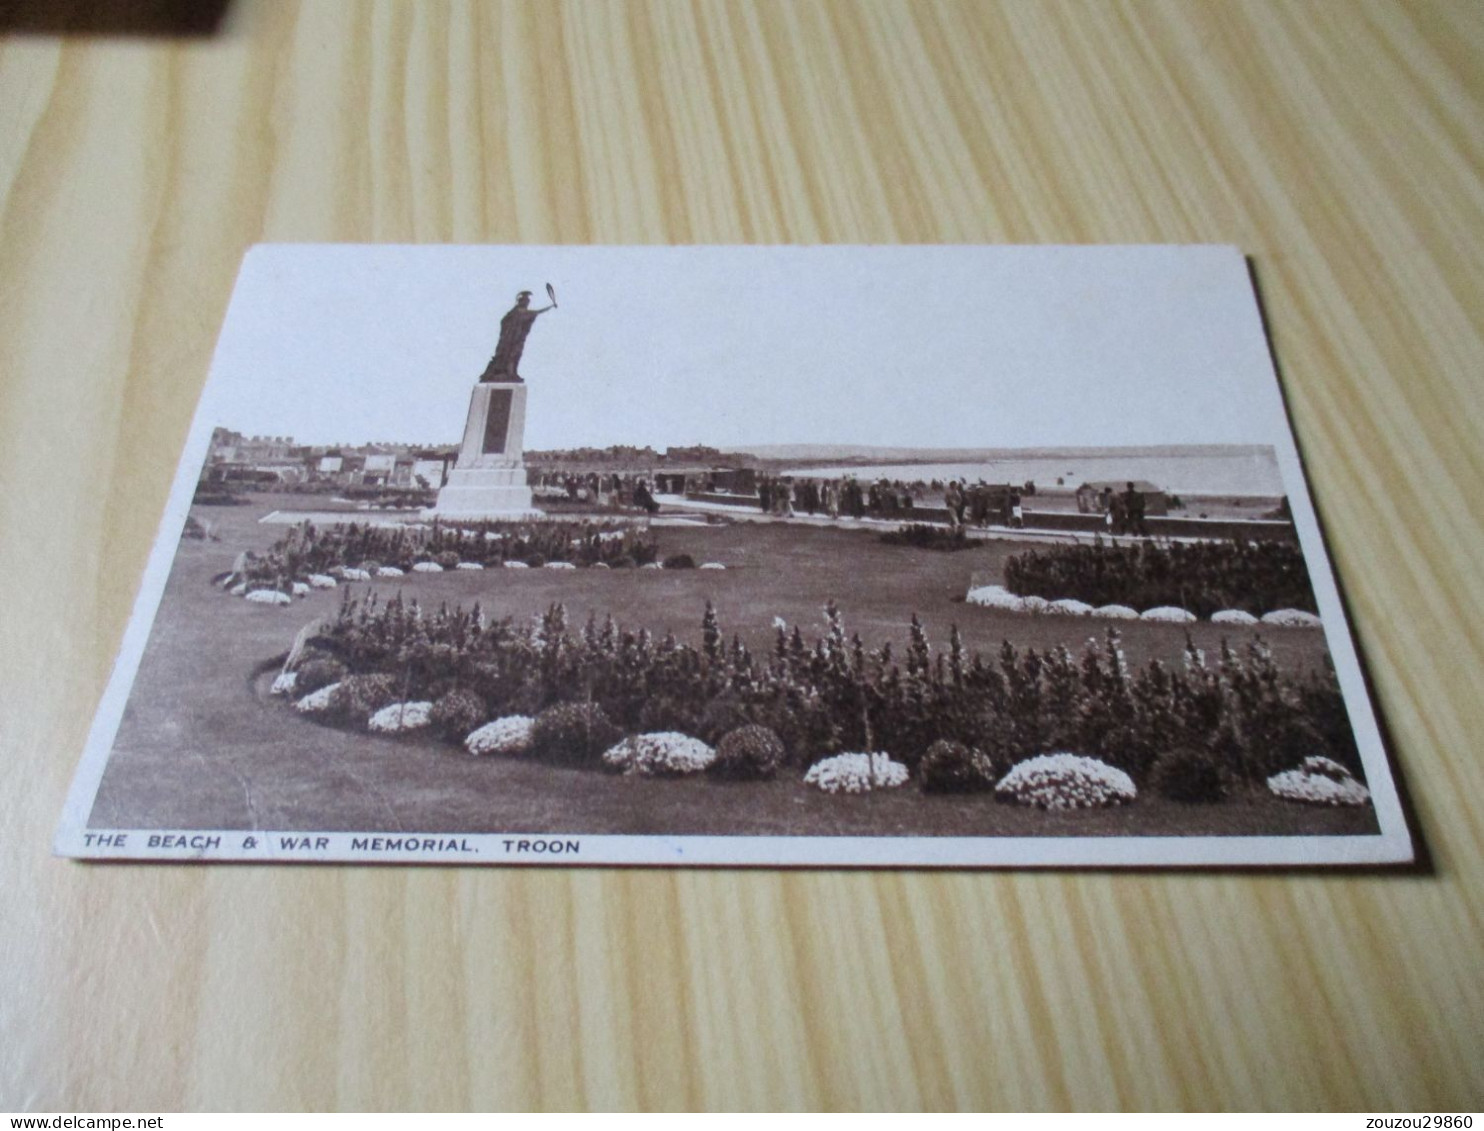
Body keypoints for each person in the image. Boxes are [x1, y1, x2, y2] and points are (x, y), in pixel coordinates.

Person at [480, 290, 555, 382]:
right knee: (508, 355)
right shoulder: (517, 312)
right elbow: (505, 322)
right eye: (525, 301)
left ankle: (511, 373)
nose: (527, 303)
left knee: (515, 354)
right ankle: (507, 372)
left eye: (528, 302)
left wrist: (550, 307)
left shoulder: (518, 312)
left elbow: (535, 313)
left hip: (517, 339)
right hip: (509, 340)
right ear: (521, 302)